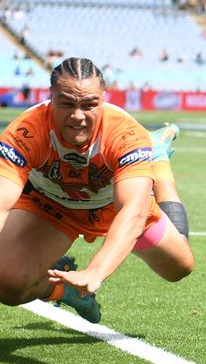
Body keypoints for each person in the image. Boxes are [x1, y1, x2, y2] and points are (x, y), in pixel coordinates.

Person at [0, 58, 194, 324]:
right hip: (51, 206)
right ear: (51, 98)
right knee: (9, 285)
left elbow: (132, 212)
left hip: (114, 208)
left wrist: (96, 271)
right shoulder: (26, 130)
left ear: (104, 99)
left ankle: (157, 156)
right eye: (67, 103)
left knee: (180, 267)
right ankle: (66, 292)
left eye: (89, 105)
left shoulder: (124, 133)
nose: (78, 116)